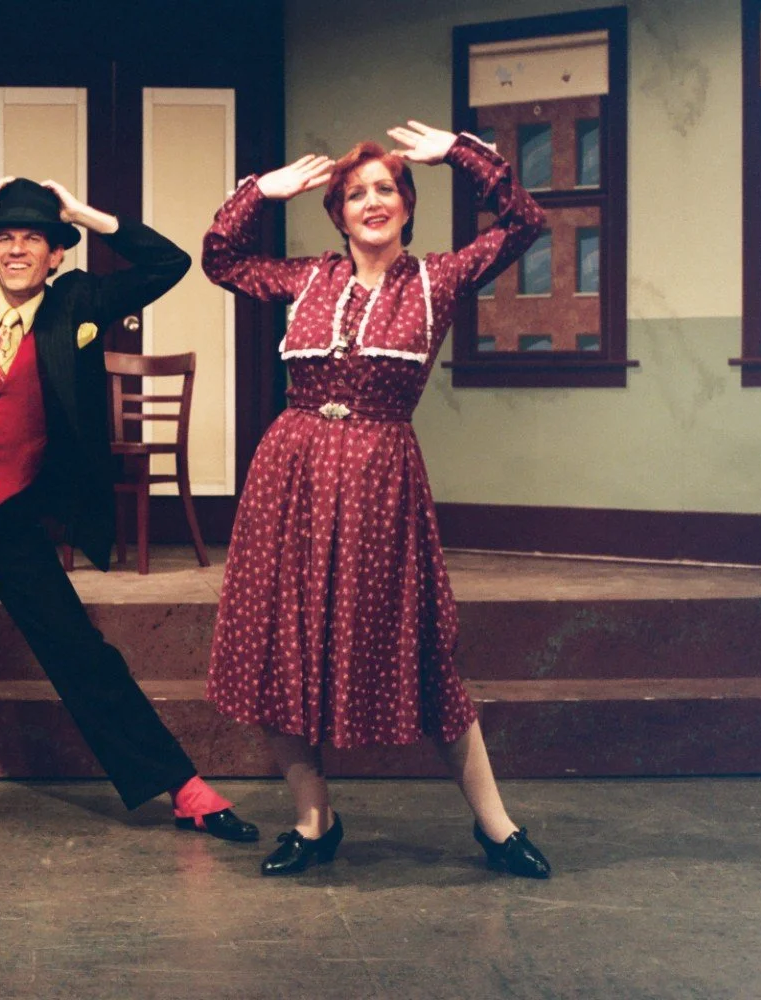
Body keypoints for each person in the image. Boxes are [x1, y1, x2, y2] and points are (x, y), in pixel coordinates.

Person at [0, 177, 258, 851]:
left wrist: (85, 213)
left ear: (56, 255)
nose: (16, 250)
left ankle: (184, 788)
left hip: (11, 511)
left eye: (33, 238)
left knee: (78, 650)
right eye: (4, 238)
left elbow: (169, 263)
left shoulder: (79, 301)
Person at [202, 121, 553, 879]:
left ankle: (496, 827)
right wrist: (261, 192)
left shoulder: (439, 279)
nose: (372, 202)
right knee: (280, 649)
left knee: (424, 653)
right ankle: (313, 818)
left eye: (386, 189)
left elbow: (526, 223)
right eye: (356, 193)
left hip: (378, 487)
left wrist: (461, 155)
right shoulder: (306, 279)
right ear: (338, 213)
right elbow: (220, 258)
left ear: (407, 204)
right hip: (290, 480)